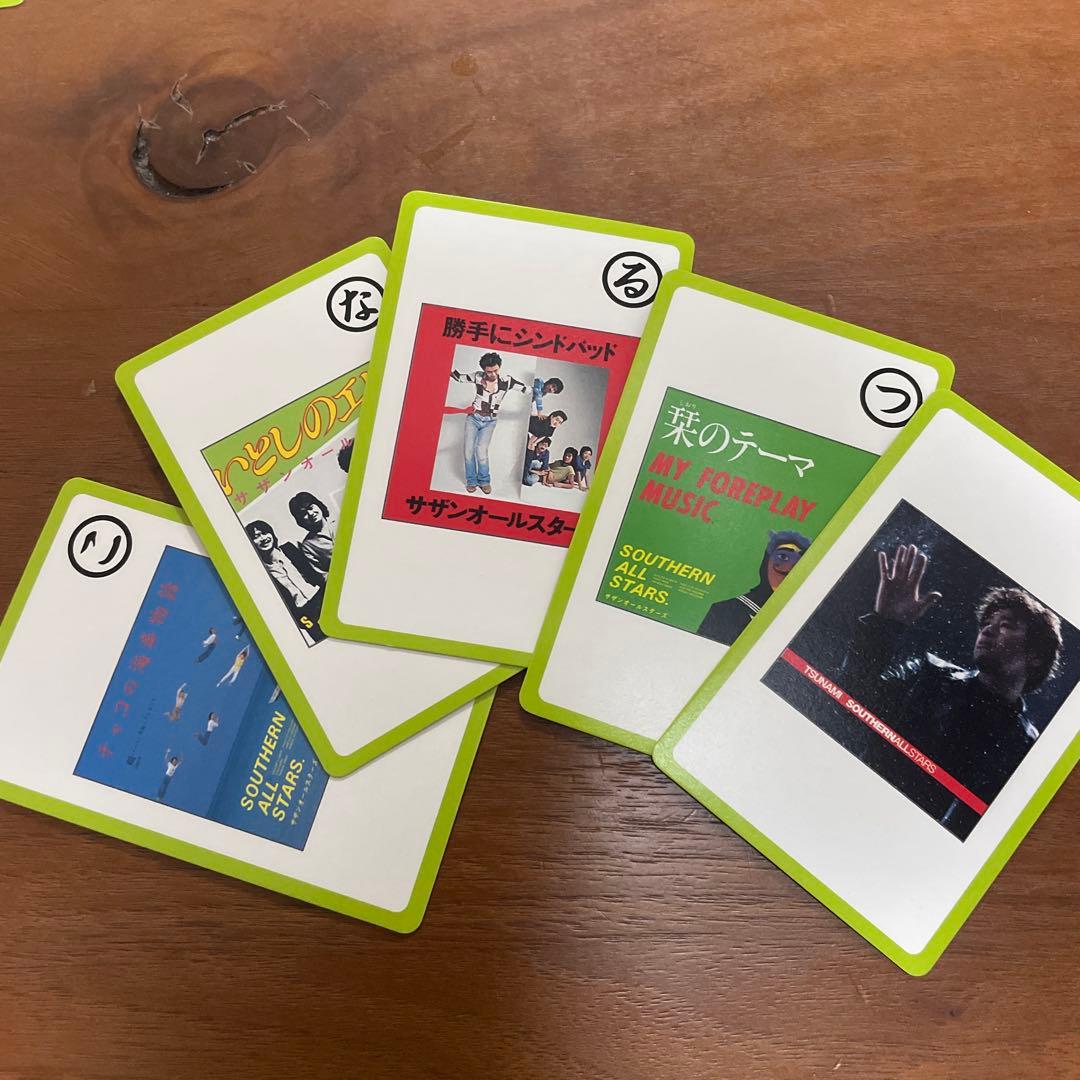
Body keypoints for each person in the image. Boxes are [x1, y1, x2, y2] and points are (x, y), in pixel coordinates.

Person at [838, 543, 1064, 831]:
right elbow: (848, 697)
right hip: (850, 805)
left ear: (1035, 655)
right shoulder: (929, 674)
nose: (987, 629)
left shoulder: (1026, 747)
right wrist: (885, 624)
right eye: (986, 622)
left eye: (1006, 625)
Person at [697, 531, 811, 645]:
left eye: (798, 564)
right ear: (766, 561)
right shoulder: (724, 610)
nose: (789, 568)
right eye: (783, 557)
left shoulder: (797, 620)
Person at [449, 351, 528, 494]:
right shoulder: (477, 376)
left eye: (495, 370)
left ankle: (484, 481)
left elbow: (525, 389)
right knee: (468, 451)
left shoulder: (506, 381)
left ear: (499, 367)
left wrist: (540, 392)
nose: (492, 374)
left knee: (481, 452)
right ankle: (471, 481)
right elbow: (458, 377)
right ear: (484, 370)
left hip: (490, 421)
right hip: (473, 418)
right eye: (489, 371)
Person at [244, 520, 326, 643]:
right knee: (323, 641)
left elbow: (315, 573)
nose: (263, 538)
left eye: (264, 533)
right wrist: (299, 620)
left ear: (271, 533)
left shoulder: (289, 549)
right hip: (303, 612)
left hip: (321, 597)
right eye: (256, 537)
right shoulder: (261, 573)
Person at [287, 492, 335, 580]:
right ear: (300, 519)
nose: (310, 513)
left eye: (310, 507)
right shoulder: (307, 546)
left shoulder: (339, 519)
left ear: (318, 505)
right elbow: (324, 576)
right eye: (303, 513)